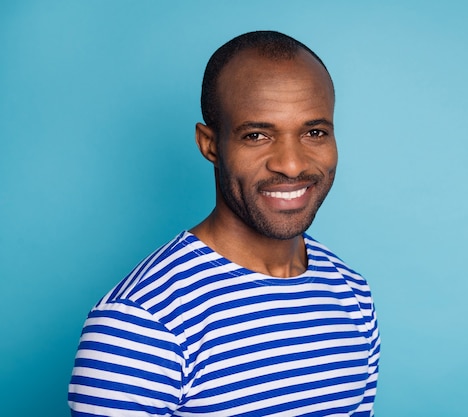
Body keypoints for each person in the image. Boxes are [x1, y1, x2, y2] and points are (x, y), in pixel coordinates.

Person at [68, 30, 380, 417]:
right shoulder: (140, 325)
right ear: (210, 144)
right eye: (257, 135)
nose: (292, 163)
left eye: (314, 132)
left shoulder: (353, 294)